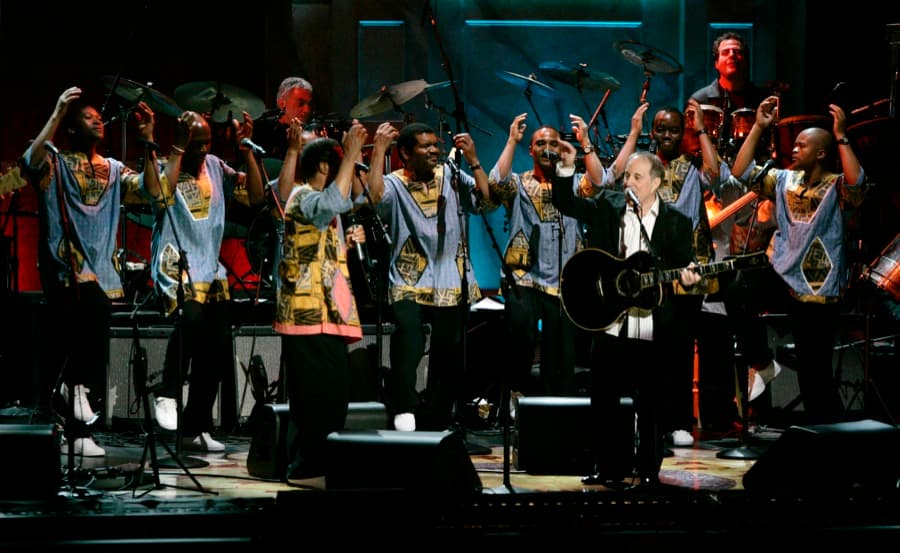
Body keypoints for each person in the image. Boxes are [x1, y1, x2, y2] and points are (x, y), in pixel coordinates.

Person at [551, 150, 701, 487]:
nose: (629, 182)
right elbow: (566, 203)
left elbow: (685, 263)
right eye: (627, 176)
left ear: (657, 183)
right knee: (604, 402)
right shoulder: (610, 206)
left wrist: (689, 276)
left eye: (636, 177)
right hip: (611, 322)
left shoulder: (677, 221)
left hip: (652, 327)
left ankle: (648, 470)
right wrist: (565, 167)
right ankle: (609, 469)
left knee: (651, 404)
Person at [21, 86, 156, 457]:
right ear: (72, 128)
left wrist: (148, 142)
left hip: (102, 269)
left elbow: (151, 191)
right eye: (86, 117)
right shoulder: (55, 160)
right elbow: (30, 162)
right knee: (84, 327)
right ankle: (73, 404)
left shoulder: (113, 169)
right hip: (64, 263)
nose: (97, 119)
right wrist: (57, 111)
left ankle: (76, 427)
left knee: (84, 341)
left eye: (99, 116)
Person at [730, 96, 867, 425]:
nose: (794, 149)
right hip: (781, 269)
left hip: (817, 283)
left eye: (802, 146)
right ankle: (763, 364)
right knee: (738, 294)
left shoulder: (835, 184)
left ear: (821, 153)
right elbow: (739, 171)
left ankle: (830, 438)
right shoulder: (782, 179)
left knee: (813, 371)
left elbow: (857, 183)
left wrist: (841, 135)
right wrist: (760, 127)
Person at [603, 100, 727, 447]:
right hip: (645, 272)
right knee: (646, 350)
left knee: (679, 348)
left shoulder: (692, 165)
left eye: (676, 129)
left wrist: (701, 129)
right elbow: (609, 179)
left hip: (684, 269)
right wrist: (633, 133)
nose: (669, 135)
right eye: (662, 129)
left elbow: (717, 175)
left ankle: (678, 420)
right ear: (653, 132)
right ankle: (646, 420)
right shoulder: (642, 166)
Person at [143, 110, 264, 452]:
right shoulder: (169, 166)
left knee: (217, 346)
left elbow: (255, 198)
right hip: (176, 260)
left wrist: (247, 152)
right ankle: (168, 391)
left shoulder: (215, 166)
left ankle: (194, 426)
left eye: (207, 142)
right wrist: (178, 152)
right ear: (182, 142)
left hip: (210, 267)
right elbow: (159, 196)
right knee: (191, 318)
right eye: (196, 143)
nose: (203, 149)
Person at [366, 121, 491, 432]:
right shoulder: (394, 183)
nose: (435, 150)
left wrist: (474, 160)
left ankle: (437, 414)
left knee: (449, 352)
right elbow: (373, 201)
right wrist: (379, 149)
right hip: (409, 276)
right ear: (406, 153)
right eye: (426, 146)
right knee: (409, 335)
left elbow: (485, 201)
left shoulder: (449, 175)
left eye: (436, 144)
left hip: (451, 275)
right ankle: (404, 405)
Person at [690, 32, 781, 430]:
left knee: (745, 303)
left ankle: (759, 406)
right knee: (713, 312)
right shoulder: (701, 96)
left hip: (751, 201)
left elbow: (774, 151)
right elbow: (693, 150)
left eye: (739, 52)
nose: (733, 57)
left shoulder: (762, 99)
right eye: (726, 52)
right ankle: (717, 416)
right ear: (716, 61)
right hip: (712, 200)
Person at [487, 113, 606, 404]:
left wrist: (584, 146)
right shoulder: (518, 182)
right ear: (531, 149)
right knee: (521, 340)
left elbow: (600, 183)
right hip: (524, 277)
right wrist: (512, 141)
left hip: (565, 280)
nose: (547, 147)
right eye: (540, 143)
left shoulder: (574, 183)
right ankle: (514, 399)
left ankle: (557, 411)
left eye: (553, 142)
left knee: (561, 354)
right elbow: (494, 183)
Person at [273, 119, 367, 481]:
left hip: (328, 311)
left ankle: (322, 458)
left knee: (334, 393)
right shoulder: (303, 198)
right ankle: (304, 463)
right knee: (313, 396)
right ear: (325, 167)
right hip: (304, 312)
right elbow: (331, 203)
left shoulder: (317, 201)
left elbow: (345, 204)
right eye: (338, 163)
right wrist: (353, 152)